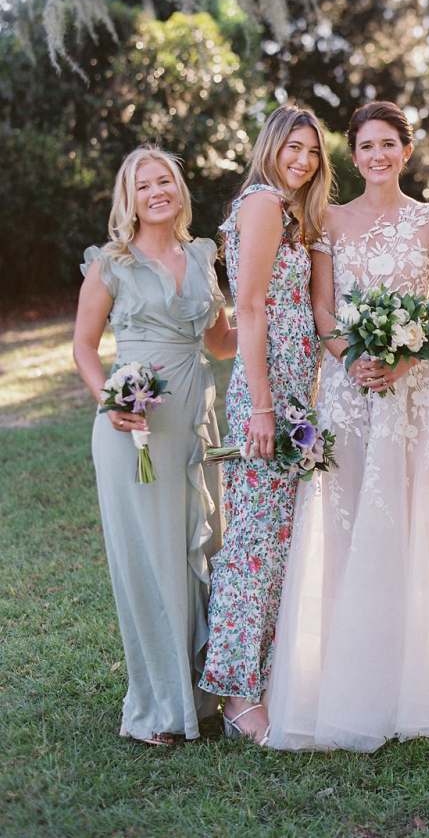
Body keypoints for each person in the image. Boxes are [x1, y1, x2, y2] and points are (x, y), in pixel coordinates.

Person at [266, 101, 429, 752]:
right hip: (350, 395)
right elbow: (322, 306)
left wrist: (403, 358)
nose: (377, 155)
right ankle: (353, 679)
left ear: (407, 150)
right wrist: (353, 358)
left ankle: (424, 676)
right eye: (365, 146)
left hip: (419, 394)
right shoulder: (330, 221)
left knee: (421, 523)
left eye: (388, 145)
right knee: (349, 529)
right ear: (353, 154)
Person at [73, 145, 236, 745]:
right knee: (149, 558)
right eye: (143, 186)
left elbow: (221, 343)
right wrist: (111, 400)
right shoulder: (110, 264)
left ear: (179, 187)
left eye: (164, 179)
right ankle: (156, 709)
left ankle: (202, 696)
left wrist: (278, 317)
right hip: (133, 428)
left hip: (195, 418)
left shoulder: (202, 256)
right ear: (130, 199)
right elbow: (85, 347)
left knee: (203, 548)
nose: (156, 192)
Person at [198, 104, 332, 744]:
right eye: (294, 148)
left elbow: (231, 327)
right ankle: (235, 692)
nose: (303, 161)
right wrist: (261, 406)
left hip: (290, 397)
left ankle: (270, 671)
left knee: (278, 542)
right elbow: (250, 307)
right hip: (269, 401)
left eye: (313, 152)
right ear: (271, 146)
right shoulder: (262, 204)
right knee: (253, 544)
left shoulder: (287, 210)